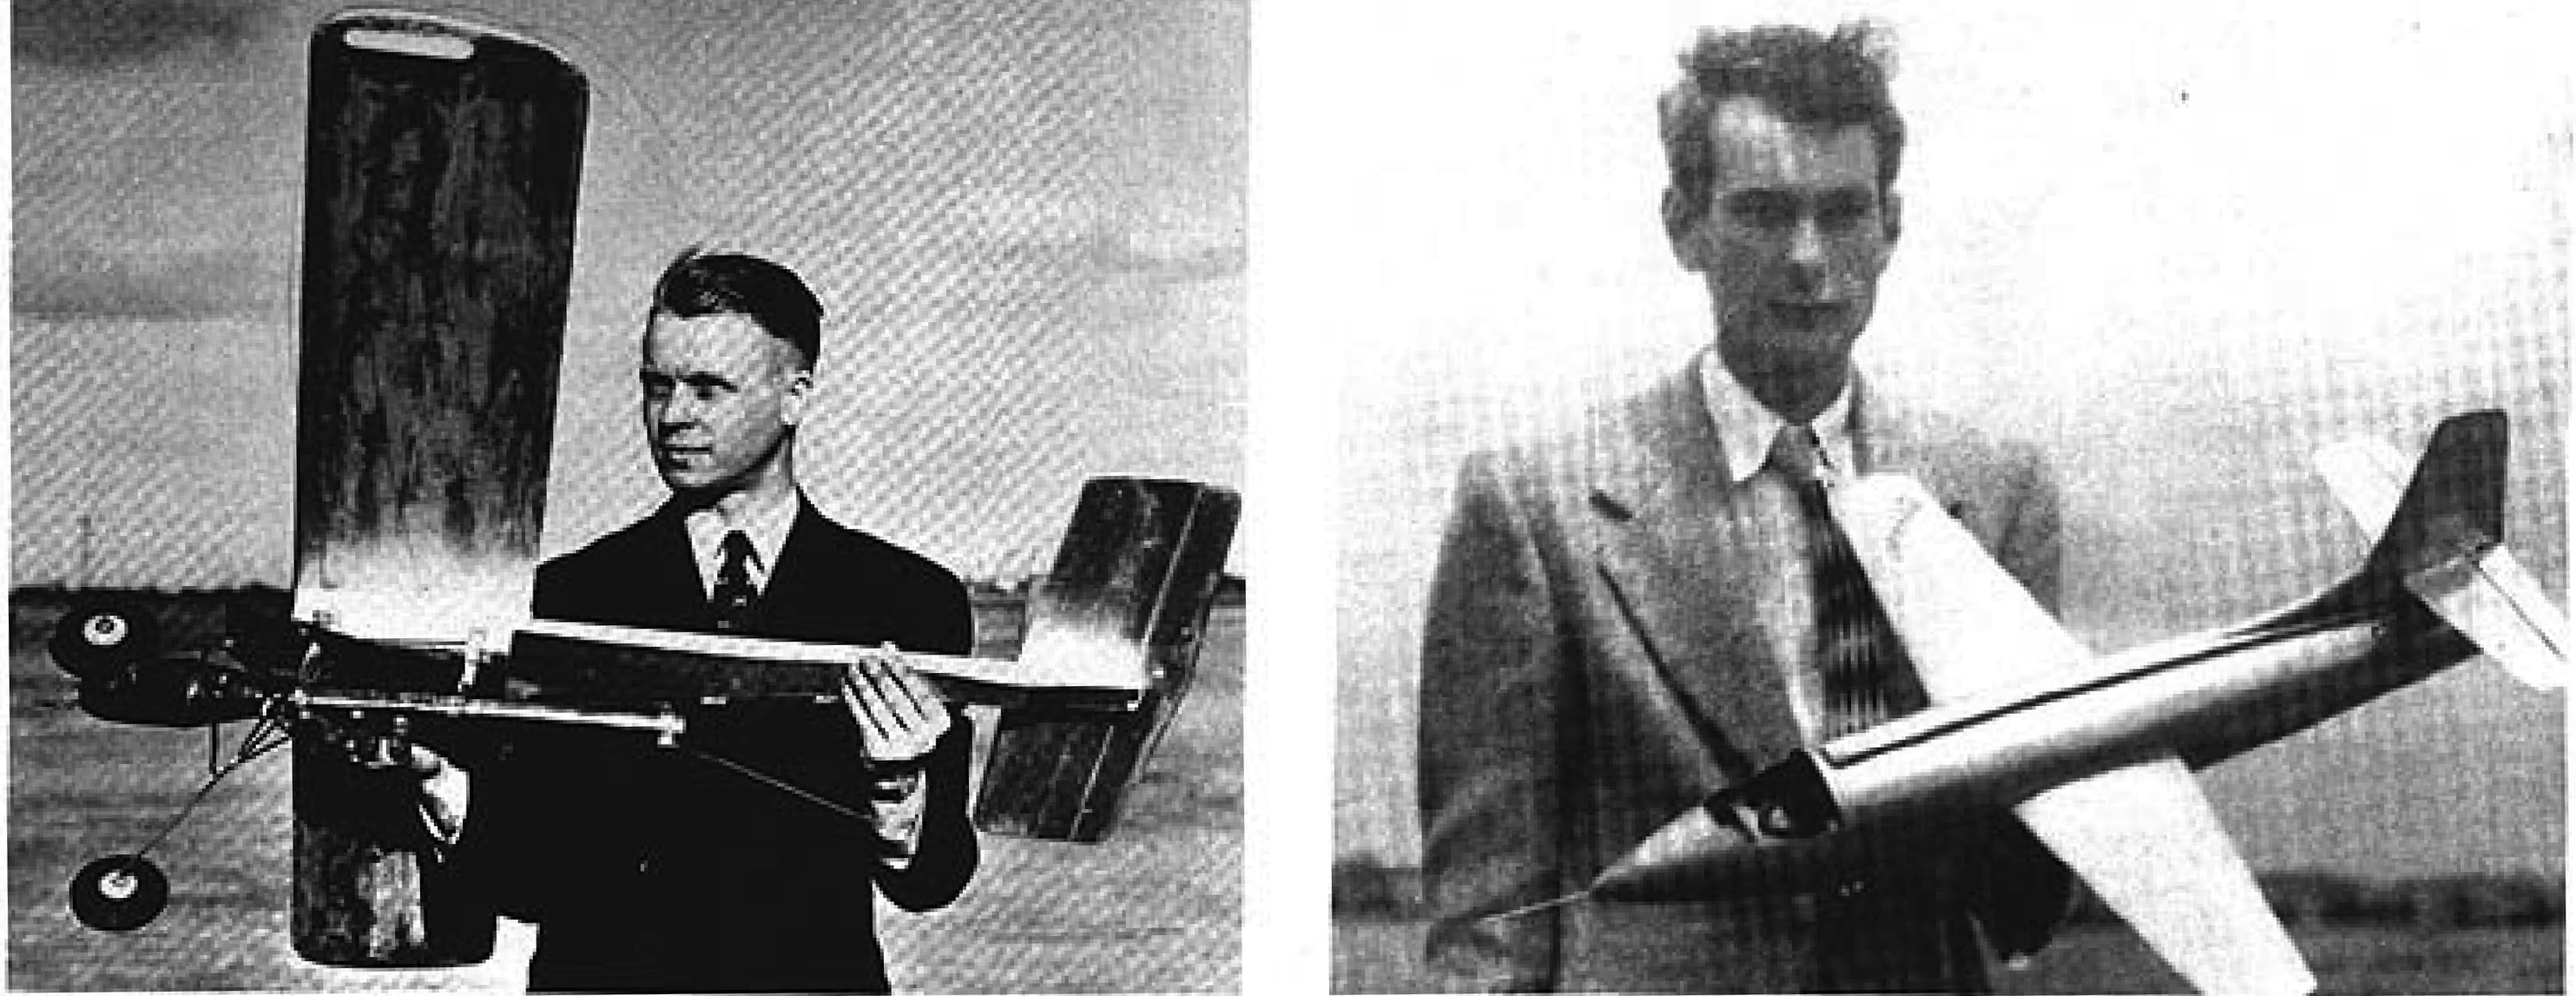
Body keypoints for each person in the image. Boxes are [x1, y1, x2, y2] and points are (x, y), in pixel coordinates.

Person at [1415, 23, 2072, 993]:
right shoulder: (1535, 510)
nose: (1808, 257)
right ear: (1683, 225)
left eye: (1842, 212)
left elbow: (2028, 894)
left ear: (1890, 228)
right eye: (1762, 213)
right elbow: (1488, 915)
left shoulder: (1995, 495)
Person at [402, 248, 978, 993]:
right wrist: (443, 787)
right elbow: (530, 880)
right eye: (656, 386)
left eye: (708, 388)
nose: (672, 415)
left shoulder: (907, 602)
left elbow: (931, 880)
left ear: (794, 396)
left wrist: (897, 785)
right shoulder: (567, 597)